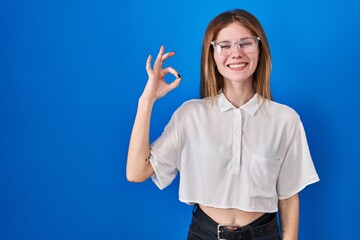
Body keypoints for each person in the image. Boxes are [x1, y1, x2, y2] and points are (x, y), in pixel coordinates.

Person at [126, 9, 319, 240]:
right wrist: (146, 100)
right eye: (224, 46)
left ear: (260, 50)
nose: (236, 53)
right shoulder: (191, 115)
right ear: (213, 55)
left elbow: (288, 198)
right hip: (203, 234)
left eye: (245, 43)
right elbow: (137, 172)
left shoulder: (285, 120)